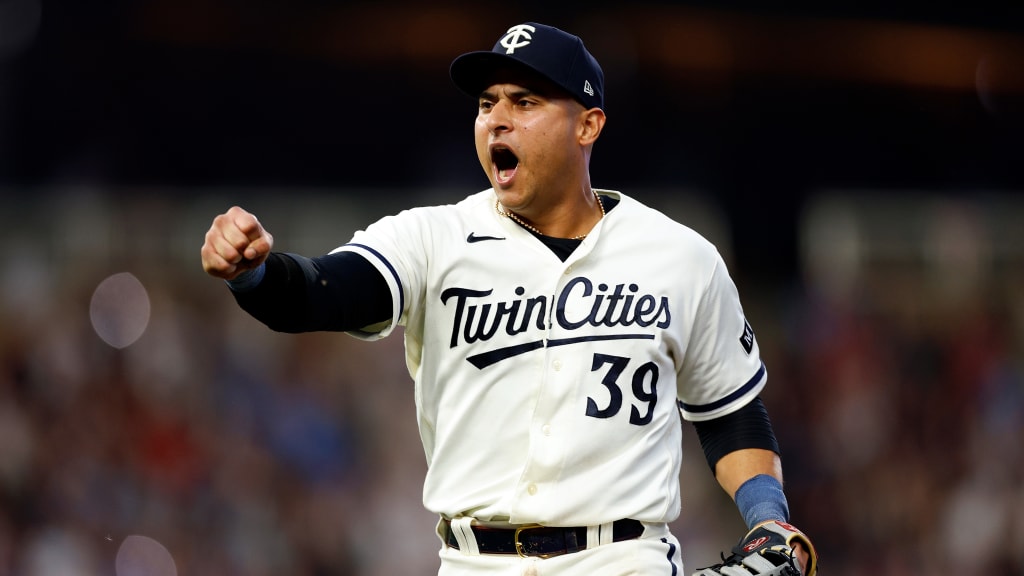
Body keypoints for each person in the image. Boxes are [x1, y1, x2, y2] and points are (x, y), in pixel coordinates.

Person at [201, 21, 817, 576]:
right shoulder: (433, 238)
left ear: (588, 124)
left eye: (525, 102)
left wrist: (767, 515)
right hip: (473, 564)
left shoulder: (681, 257)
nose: (497, 119)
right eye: (487, 103)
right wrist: (257, 274)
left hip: (623, 560)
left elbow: (729, 412)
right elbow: (326, 293)